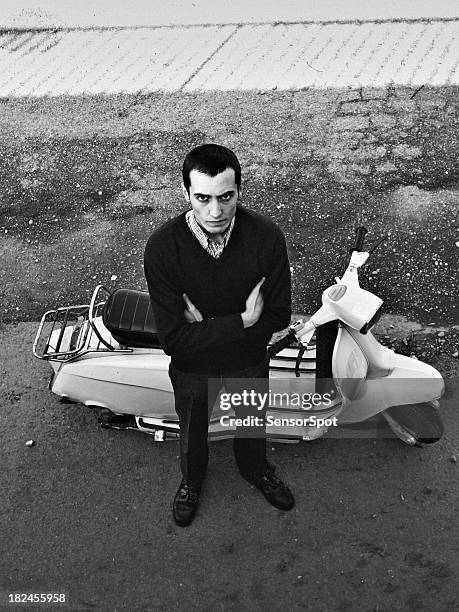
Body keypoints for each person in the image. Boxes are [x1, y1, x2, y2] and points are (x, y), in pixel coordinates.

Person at [144, 143, 294, 526]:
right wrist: (241, 322)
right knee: (192, 433)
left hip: (246, 362)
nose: (215, 211)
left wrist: (203, 327)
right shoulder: (163, 249)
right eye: (203, 198)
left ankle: (255, 468)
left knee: (251, 426)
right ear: (185, 194)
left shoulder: (266, 238)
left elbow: (278, 314)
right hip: (194, 368)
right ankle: (192, 481)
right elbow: (173, 341)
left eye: (226, 197)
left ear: (239, 191)